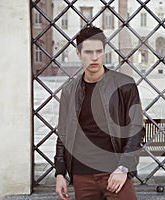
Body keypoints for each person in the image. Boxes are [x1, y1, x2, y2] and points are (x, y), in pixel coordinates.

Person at [54, 25, 145, 200]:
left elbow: (136, 129)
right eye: (88, 52)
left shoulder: (124, 85)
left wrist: (123, 168)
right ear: (79, 54)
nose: (94, 57)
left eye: (99, 51)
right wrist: (60, 173)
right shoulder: (69, 91)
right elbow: (63, 134)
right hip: (82, 175)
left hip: (115, 172)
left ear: (104, 52)